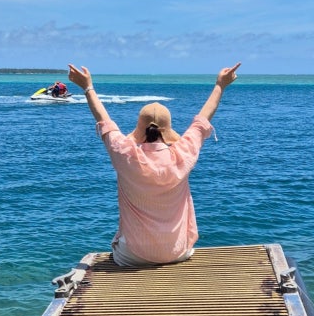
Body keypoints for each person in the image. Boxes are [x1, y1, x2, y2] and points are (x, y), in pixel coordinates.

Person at [67, 62, 241, 267]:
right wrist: (220, 85)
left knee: (118, 245)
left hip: (132, 256)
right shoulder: (182, 154)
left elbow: (104, 121)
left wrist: (88, 87)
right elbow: (202, 120)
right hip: (179, 252)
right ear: (167, 131)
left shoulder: (125, 155)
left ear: (141, 130)